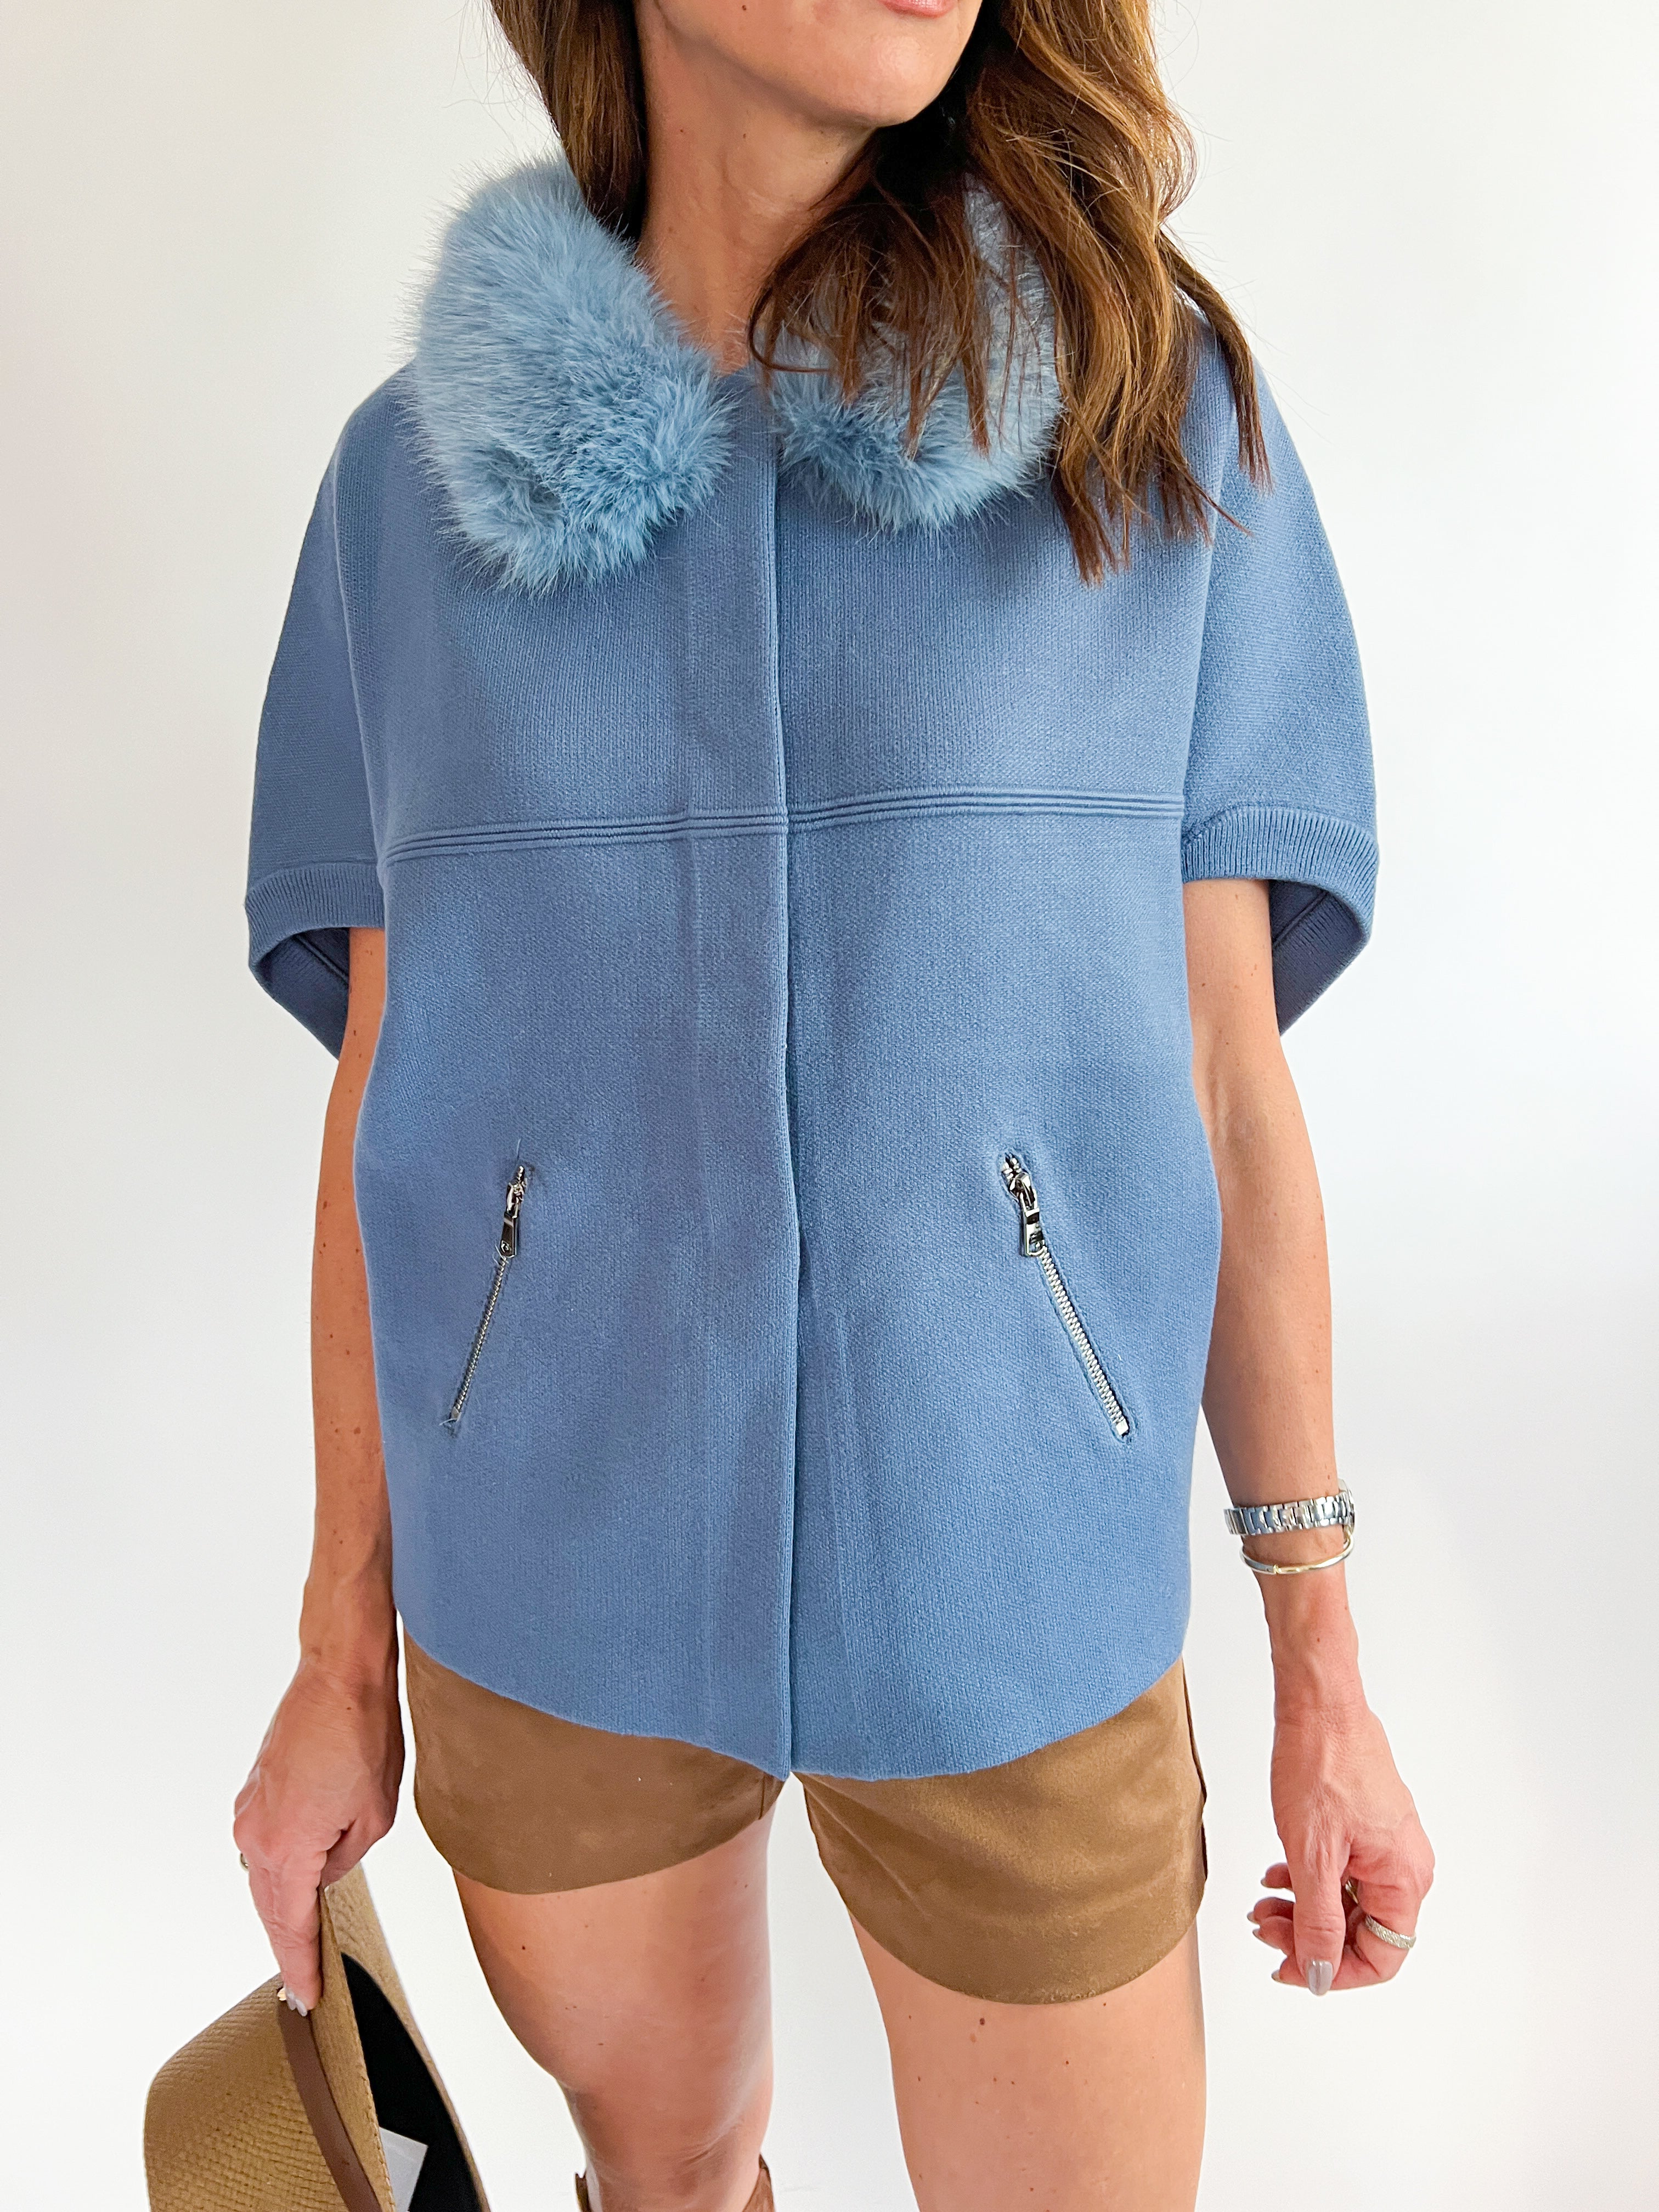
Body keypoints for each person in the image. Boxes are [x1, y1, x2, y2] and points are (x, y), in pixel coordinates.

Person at [232, 4, 1434, 2207]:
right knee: (669, 2181)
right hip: (548, 1577)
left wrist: (1321, 1658)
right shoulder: (412, 496)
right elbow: (398, 1100)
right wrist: (338, 1657)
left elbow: (1224, 1083)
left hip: (1020, 1579)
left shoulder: (1146, 422)